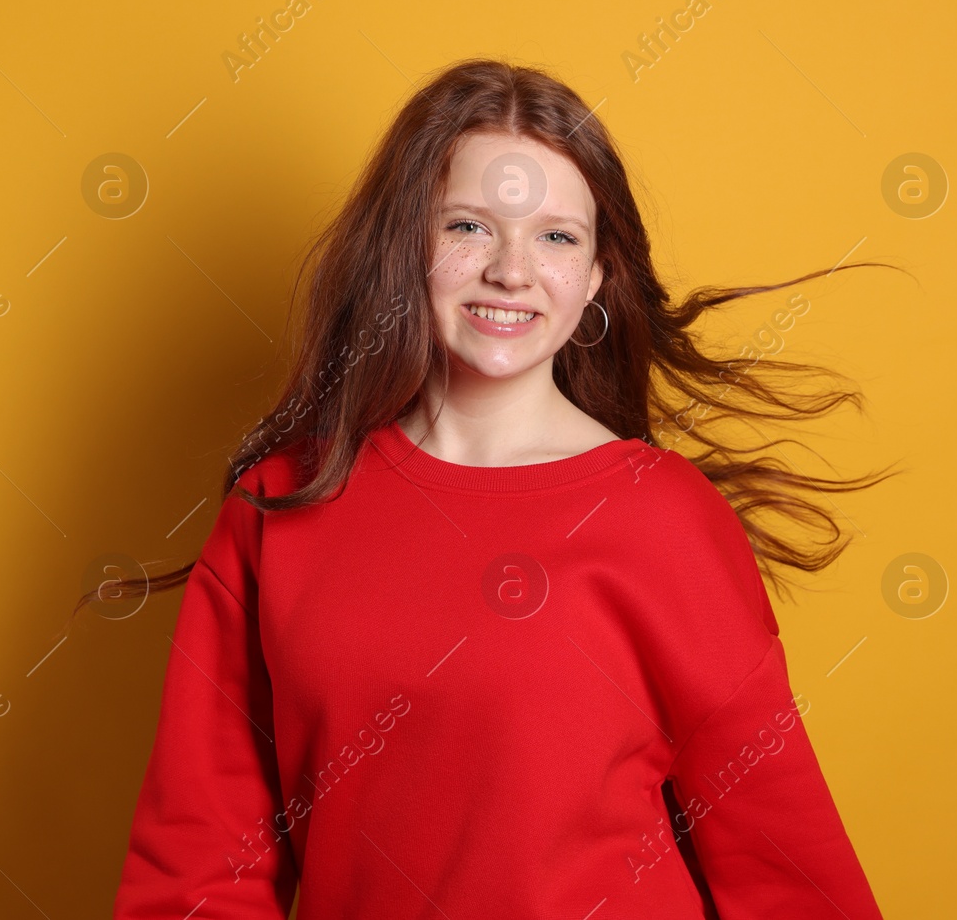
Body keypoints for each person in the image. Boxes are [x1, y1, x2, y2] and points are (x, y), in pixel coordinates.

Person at [84, 58, 899, 918]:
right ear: (406, 248)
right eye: (469, 225)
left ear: (594, 281)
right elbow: (199, 869)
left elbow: (784, 865)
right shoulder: (278, 505)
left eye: (557, 236)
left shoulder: (665, 518)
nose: (512, 270)